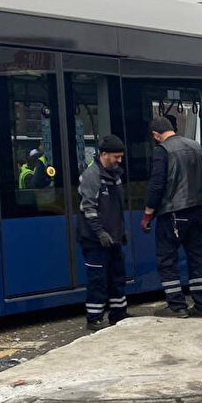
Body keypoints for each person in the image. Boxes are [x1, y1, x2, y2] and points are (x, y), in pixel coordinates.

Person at [141, 116, 202, 318]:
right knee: (197, 257)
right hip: (199, 210)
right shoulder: (195, 146)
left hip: (174, 213)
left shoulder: (162, 150)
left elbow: (157, 184)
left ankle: (177, 306)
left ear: (156, 135)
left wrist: (148, 213)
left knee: (167, 259)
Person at [76, 134, 128, 331]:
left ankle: (119, 314)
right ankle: (94, 318)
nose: (119, 160)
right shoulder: (92, 176)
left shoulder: (115, 176)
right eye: (116, 157)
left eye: (121, 157)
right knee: (98, 279)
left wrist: (120, 231)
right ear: (104, 154)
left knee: (117, 276)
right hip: (94, 240)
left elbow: (117, 207)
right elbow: (88, 208)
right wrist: (100, 233)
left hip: (113, 237)